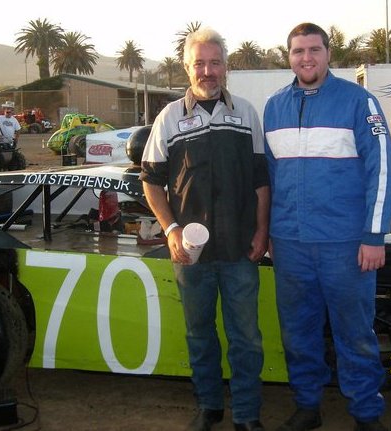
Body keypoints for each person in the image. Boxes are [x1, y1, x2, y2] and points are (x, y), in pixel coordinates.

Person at [263, 23, 391, 431]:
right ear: (288, 56)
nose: (306, 58)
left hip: (345, 244)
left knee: (354, 333)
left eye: (314, 49)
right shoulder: (274, 107)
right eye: (298, 51)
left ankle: (366, 414)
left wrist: (374, 236)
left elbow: (383, 169)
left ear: (328, 53)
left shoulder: (359, 101)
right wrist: (269, 234)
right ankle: (308, 406)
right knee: (297, 332)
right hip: (290, 244)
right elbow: (270, 177)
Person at [140, 28, 269, 431]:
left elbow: (261, 181)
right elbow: (151, 182)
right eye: (199, 63)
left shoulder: (246, 114)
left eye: (215, 63)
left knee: (246, 337)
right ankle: (209, 407)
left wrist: (262, 232)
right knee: (199, 334)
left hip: (239, 249)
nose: (207, 71)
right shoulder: (168, 118)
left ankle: (246, 414)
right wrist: (171, 229)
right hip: (190, 255)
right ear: (187, 67)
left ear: (226, 67)